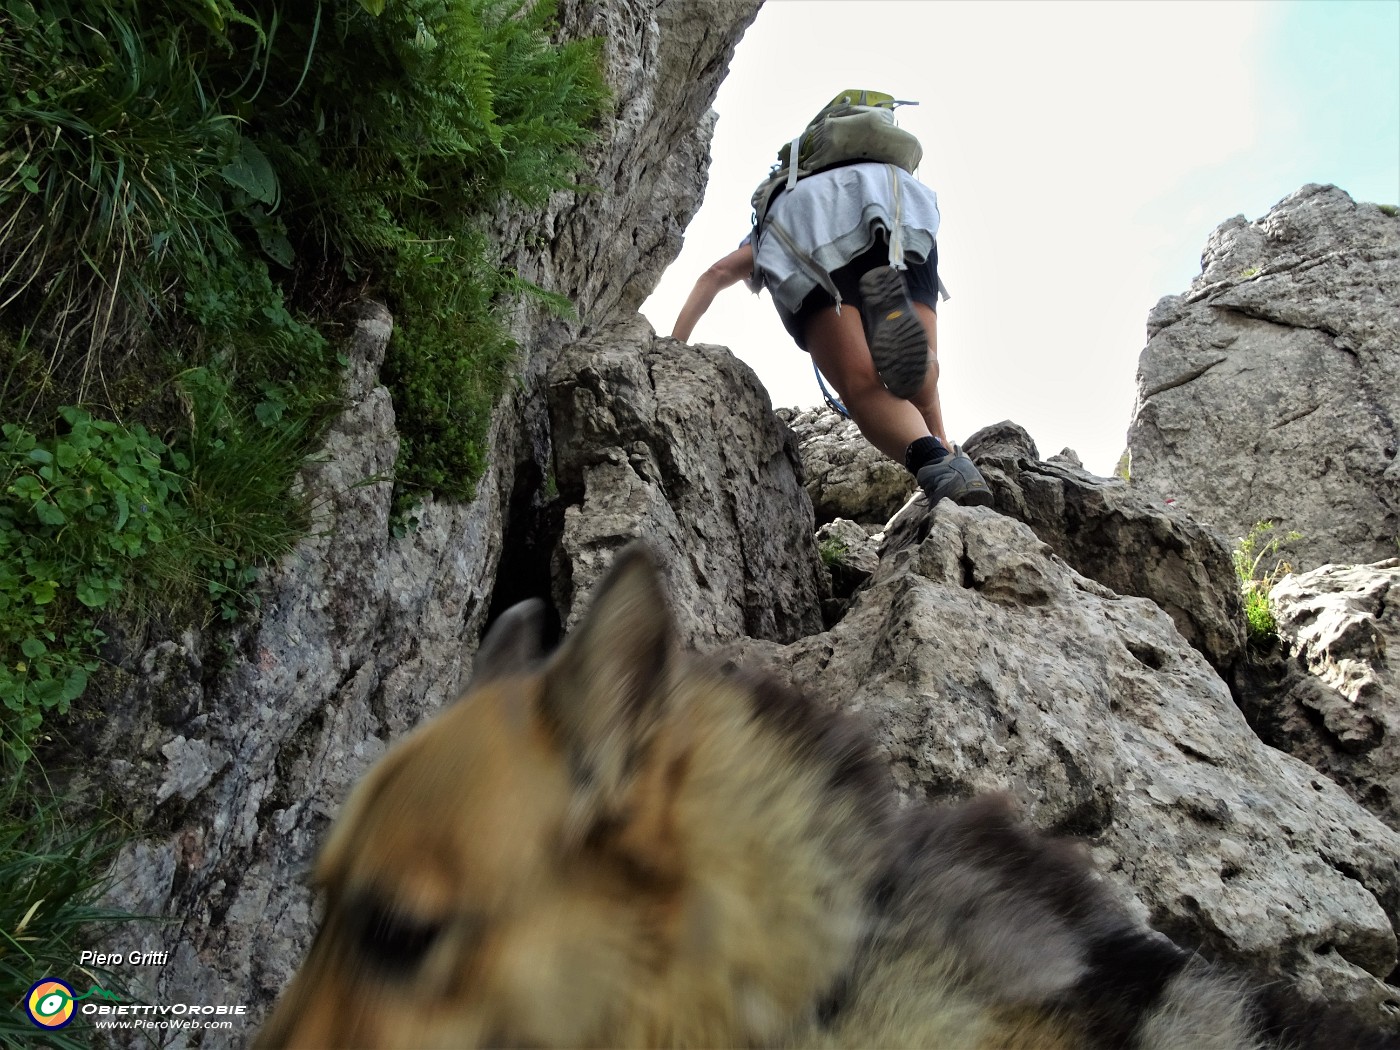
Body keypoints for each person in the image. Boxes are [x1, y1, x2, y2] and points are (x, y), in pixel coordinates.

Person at [670, 159, 992, 508]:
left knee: (861, 383)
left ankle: (932, 460)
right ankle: (948, 456)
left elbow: (715, 274)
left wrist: (671, 348)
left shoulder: (768, 232)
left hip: (810, 229)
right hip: (902, 206)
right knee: (923, 362)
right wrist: (942, 436)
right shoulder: (868, 173)